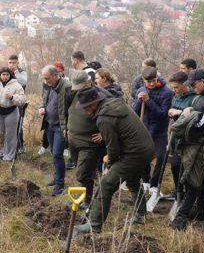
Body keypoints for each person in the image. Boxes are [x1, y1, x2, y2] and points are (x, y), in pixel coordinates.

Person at [75, 88, 156, 233]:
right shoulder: (114, 104)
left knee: (106, 185)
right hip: (146, 149)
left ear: (93, 105)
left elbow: (112, 146)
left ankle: (94, 225)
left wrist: (110, 164)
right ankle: (140, 215)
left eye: (85, 108)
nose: (84, 112)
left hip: (135, 153)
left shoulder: (104, 118)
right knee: (132, 181)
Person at [169, 69, 204, 230]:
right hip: (195, 143)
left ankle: (181, 218)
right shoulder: (200, 97)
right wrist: (190, 111)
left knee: (192, 178)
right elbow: (198, 116)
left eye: (194, 84)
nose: (192, 87)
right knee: (199, 176)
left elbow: (201, 125)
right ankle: (200, 209)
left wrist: (185, 118)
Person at [66, 71, 106, 204]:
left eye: (81, 87)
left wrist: (104, 134)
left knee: (82, 174)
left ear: (89, 82)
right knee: (83, 170)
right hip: (72, 139)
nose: (78, 91)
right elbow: (65, 110)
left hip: (89, 142)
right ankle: (89, 190)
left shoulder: (102, 95)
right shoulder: (72, 93)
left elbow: (113, 116)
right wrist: (65, 127)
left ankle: (87, 201)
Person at [133, 67, 173, 196]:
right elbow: (135, 112)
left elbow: (162, 114)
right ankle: (145, 181)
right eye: (148, 81)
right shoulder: (141, 90)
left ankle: (155, 184)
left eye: (153, 80)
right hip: (144, 130)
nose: (151, 83)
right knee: (144, 156)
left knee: (161, 158)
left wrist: (148, 101)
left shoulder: (167, 92)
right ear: (143, 80)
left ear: (157, 77)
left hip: (160, 131)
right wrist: (139, 101)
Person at [38, 65, 72, 196]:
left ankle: (60, 185)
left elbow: (72, 108)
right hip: (49, 124)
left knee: (58, 154)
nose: (46, 81)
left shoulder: (67, 87)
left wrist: (67, 127)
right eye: (44, 78)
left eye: (48, 78)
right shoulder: (47, 85)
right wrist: (42, 107)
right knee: (53, 152)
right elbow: (44, 100)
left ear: (56, 75)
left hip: (60, 126)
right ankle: (56, 177)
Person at [0, 67, 26, 162]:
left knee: (10, 135)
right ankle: (1, 151)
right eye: (3, 74)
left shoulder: (16, 84)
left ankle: (9, 155)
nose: (5, 76)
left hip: (11, 111)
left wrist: (12, 97)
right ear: (0, 75)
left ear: (10, 75)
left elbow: (23, 99)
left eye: (7, 74)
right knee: (1, 133)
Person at [167, 71, 197, 192]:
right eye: (173, 87)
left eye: (177, 87)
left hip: (187, 138)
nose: (174, 90)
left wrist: (179, 113)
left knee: (183, 166)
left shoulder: (194, 97)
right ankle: (178, 191)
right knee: (174, 165)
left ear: (185, 84)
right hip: (175, 135)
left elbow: (194, 116)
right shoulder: (176, 96)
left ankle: (187, 192)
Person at [8, 55, 28, 153]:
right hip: (7, 102)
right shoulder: (5, 72)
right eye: (10, 63)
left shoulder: (22, 72)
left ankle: (20, 146)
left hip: (19, 102)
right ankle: (10, 147)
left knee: (18, 124)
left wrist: (15, 71)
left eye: (14, 63)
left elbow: (23, 82)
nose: (12, 65)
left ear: (17, 63)